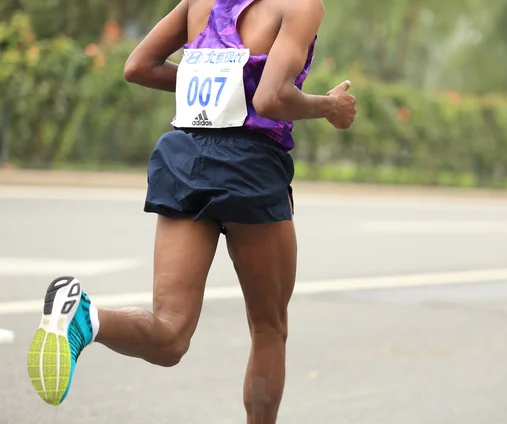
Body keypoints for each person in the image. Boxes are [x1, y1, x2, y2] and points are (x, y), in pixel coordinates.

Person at [26, 0, 356, 422]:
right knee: (269, 329)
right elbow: (272, 99)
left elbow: (138, 67)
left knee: (170, 335)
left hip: (184, 157)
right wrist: (328, 107)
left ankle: (86, 317)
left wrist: (223, 79)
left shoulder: (199, 3)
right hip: (249, 166)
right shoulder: (299, 5)